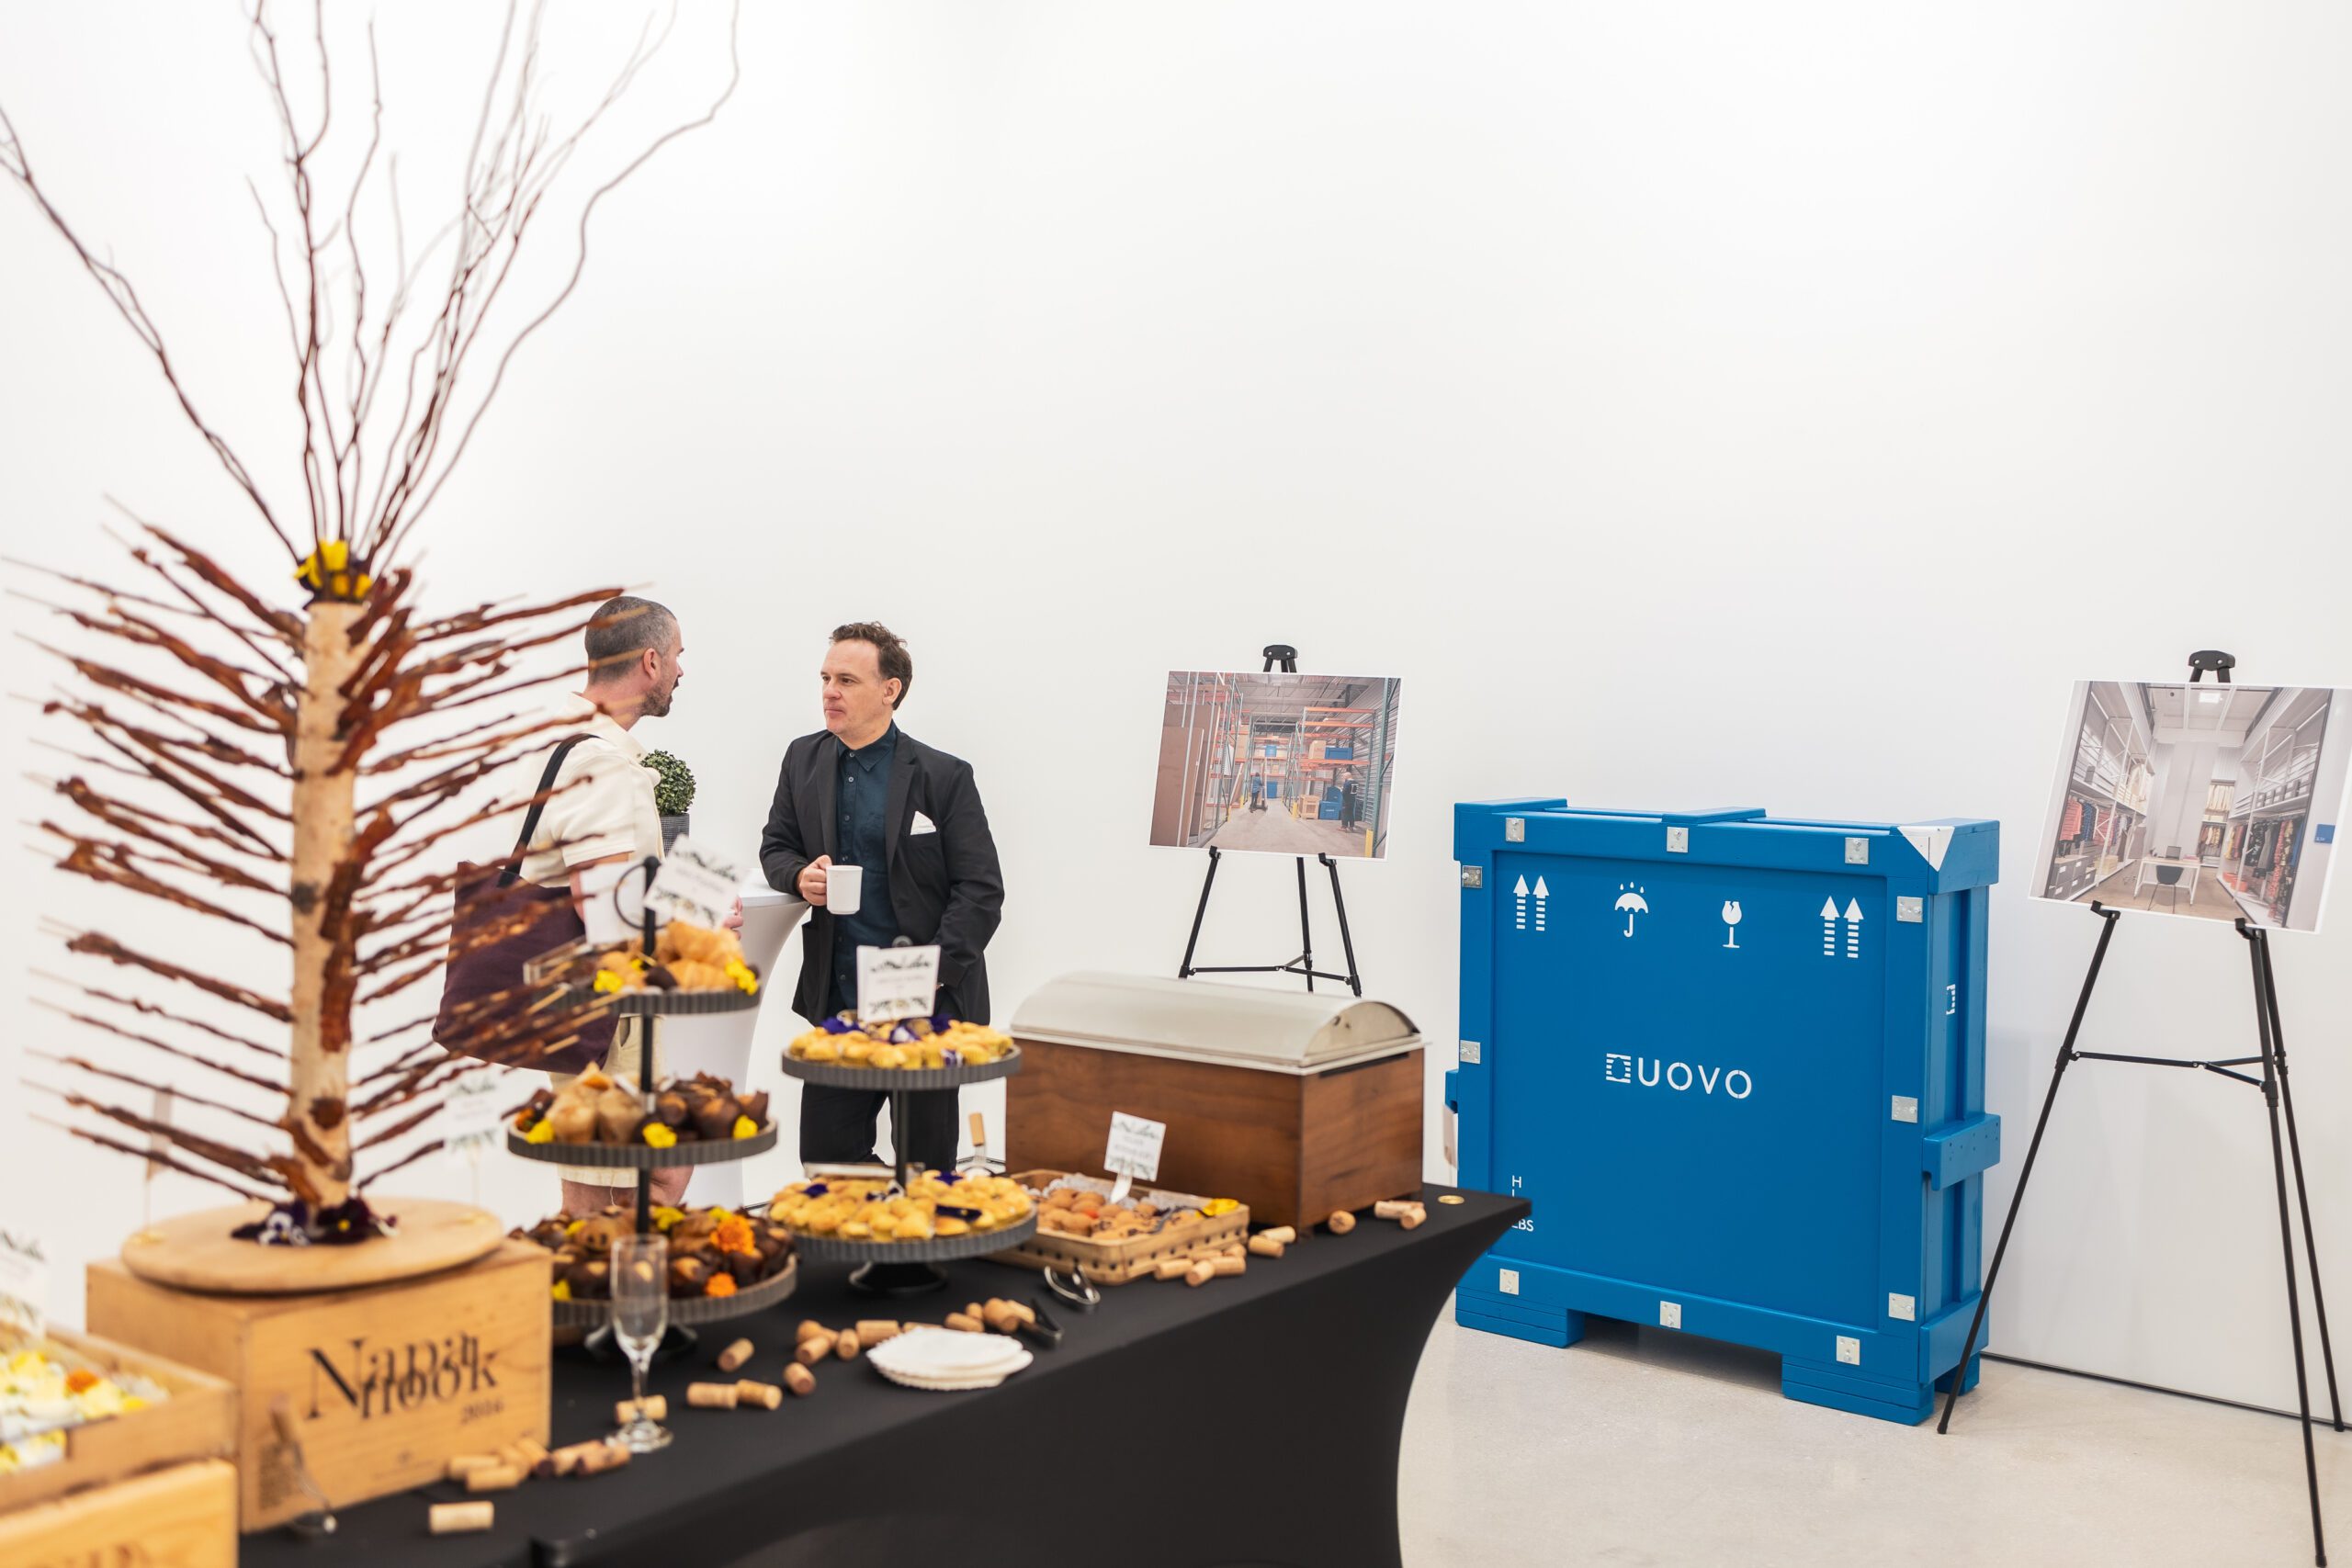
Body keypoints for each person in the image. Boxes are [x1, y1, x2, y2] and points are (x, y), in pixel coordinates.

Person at [759, 622, 1004, 1172]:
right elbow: (776, 846)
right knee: (827, 1165)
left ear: (890, 689)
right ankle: (855, 1255)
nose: (829, 691)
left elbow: (981, 888)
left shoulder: (943, 775)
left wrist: (931, 973)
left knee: (922, 1169)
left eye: (846, 679)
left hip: (927, 1007)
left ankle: (912, 1258)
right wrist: (799, 876)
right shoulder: (802, 759)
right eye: (825, 677)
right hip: (839, 1004)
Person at [519, 595, 697, 1217]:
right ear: (650, 660)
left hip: (580, 1003)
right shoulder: (599, 760)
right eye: (677, 657)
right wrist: (689, 929)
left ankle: (608, 1300)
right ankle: (615, 1307)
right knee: (628, 1184)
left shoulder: (564, 736)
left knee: (613, 1174)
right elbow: (602, 906)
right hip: (607, 1009)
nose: (681, 671)